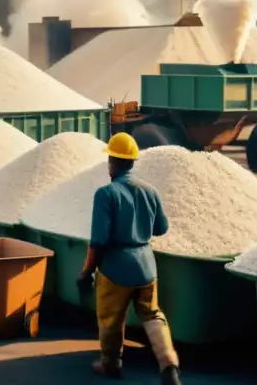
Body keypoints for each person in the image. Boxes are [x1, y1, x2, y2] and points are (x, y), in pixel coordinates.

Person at [76, 132, 181, 384]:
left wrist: (87, 270)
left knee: (111, 317)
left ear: (113, 161)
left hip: (116, 268)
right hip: (146, 267)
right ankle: (169, 364)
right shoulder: (150, 191)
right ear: (132, 161)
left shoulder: (106, 194)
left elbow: (98, 241)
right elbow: (161, 228)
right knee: (152, 314)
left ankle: (111, 363)